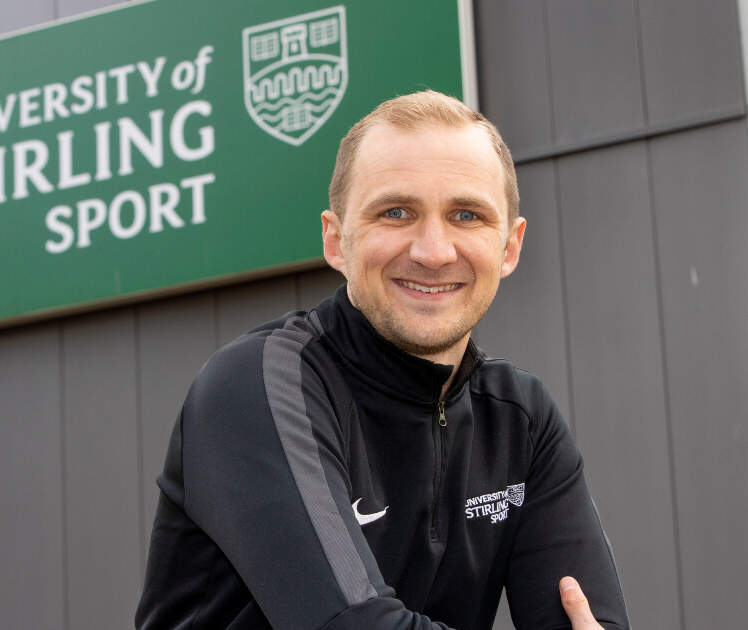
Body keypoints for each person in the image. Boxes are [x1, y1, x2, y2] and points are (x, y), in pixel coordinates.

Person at [135, 91, 629, 630]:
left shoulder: (519, 417)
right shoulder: (260, 385)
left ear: (509, 247)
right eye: (396, 212)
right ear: (336, 240)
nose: (434, 251)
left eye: (467, 215)